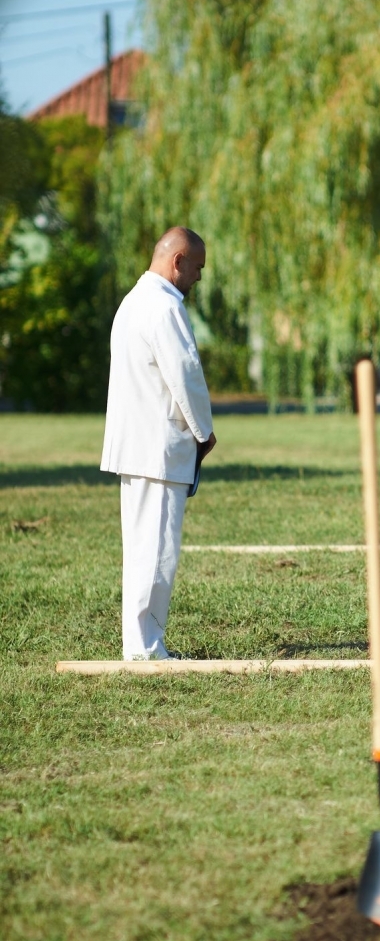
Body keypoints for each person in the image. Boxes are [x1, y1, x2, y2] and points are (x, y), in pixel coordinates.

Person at [101, 226, 216, 660]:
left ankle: (140, 644)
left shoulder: (131, 303)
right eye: (197, 268)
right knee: (157, 551)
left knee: (141, 548)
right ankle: (146, 650)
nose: (199, 278)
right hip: (160, 445)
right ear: (178, 261)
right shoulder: (164, 307)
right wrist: (204, 432)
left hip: (135, 443)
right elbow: (185, 374)